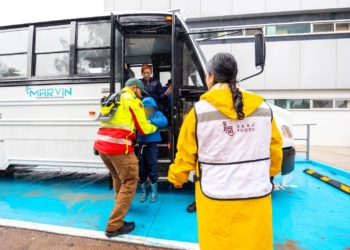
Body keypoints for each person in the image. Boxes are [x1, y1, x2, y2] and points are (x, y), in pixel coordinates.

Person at [168, 53, 283, 250]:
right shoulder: (263, 108)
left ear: (211, 77)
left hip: (215, 196)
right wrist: (269, 174)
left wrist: (177, 178)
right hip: (255, 192)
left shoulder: (199, 112)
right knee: (254, 240)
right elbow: (275, 148)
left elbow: (186, 152)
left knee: (219, 241)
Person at [94, 78, 157, 238]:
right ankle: (114, 225)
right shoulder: (132, 100)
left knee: (117, 177)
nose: (141, 96)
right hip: (120, 148)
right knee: (129, 181)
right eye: (141, 92)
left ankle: (118, 206)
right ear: (134, 88)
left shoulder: (113, 97)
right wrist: (155, 126)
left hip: (103, 148)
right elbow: (143, 128)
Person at [137, 97, 168, 203]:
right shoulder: (140, 115)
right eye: (146, 108)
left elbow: (164, 122)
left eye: (150, 108)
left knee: (152, 168)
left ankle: (154, 193)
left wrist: (151, 121)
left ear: (154, 107)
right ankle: (144, 192)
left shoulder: (157, 114)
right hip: (141, 145)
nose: (148, 110)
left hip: (152, 146)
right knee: (142, 169)